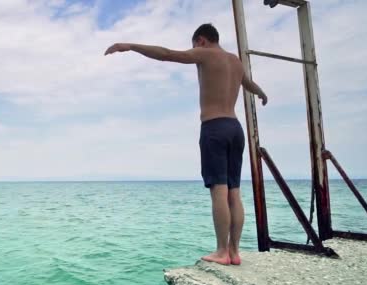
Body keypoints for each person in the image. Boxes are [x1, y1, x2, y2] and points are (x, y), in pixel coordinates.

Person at [104, 23, 267, 265]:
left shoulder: (204, 53)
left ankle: (222, 251)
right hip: (235, 129)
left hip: (214, 128)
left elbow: (168, 54)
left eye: (194, 45)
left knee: (219, 192)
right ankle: (234, 252)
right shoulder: (235, 61)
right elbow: (249, 84)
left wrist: (131, 46)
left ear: (201, 40)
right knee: (235, 192)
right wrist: (262, 93)